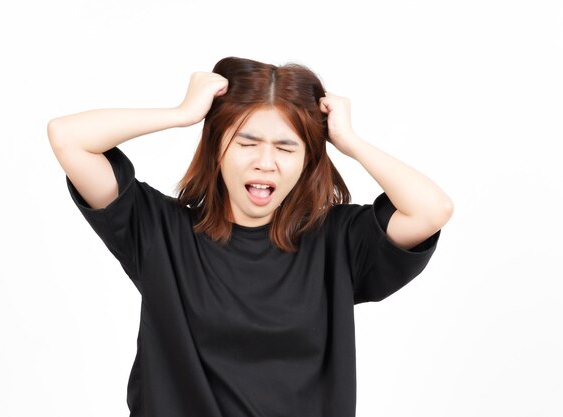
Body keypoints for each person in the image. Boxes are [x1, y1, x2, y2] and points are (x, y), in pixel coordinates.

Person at [47, 56, 453, 417]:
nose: (265, 163)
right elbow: (69, 138)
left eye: (286, 148)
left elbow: (431, 210)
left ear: (309, 160)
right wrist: (182, 113)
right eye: (247, 142)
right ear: (217, 146)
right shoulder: (158, 232)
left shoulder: (338, 242)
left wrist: (350, 142)